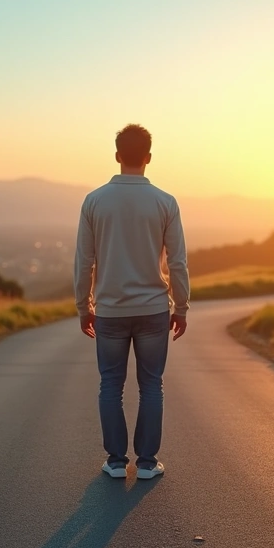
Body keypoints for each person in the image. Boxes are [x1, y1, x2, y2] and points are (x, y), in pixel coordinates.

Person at [74, 123, 190, 480]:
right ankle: (147, 464)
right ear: (148, 157)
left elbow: (84, 262)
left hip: (110, 311)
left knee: (110, 385)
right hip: (153, 309)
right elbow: (177, 262)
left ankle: (114, 461)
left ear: (117, 156)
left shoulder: (94, 201)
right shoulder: (165, 202)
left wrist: (84, 307)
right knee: (151, 385)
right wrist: (181, 307)